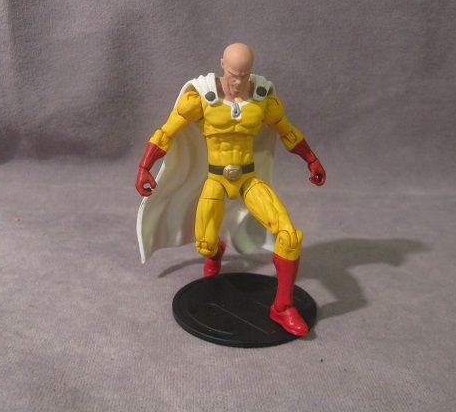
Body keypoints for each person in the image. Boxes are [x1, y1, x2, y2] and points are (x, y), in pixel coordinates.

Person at [136, 43, 325, 336]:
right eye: (235, 74)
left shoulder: (263, 100)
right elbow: (166, 133)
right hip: (216, 179)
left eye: (245, 74)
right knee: (205, 244)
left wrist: (311, 159)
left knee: (289, 236)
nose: (239, 81)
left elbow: (288, 132)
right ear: (222, 64)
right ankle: (216, 253)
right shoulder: (200, 98)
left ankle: (282, 307)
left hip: (248, 179)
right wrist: (145, 166)